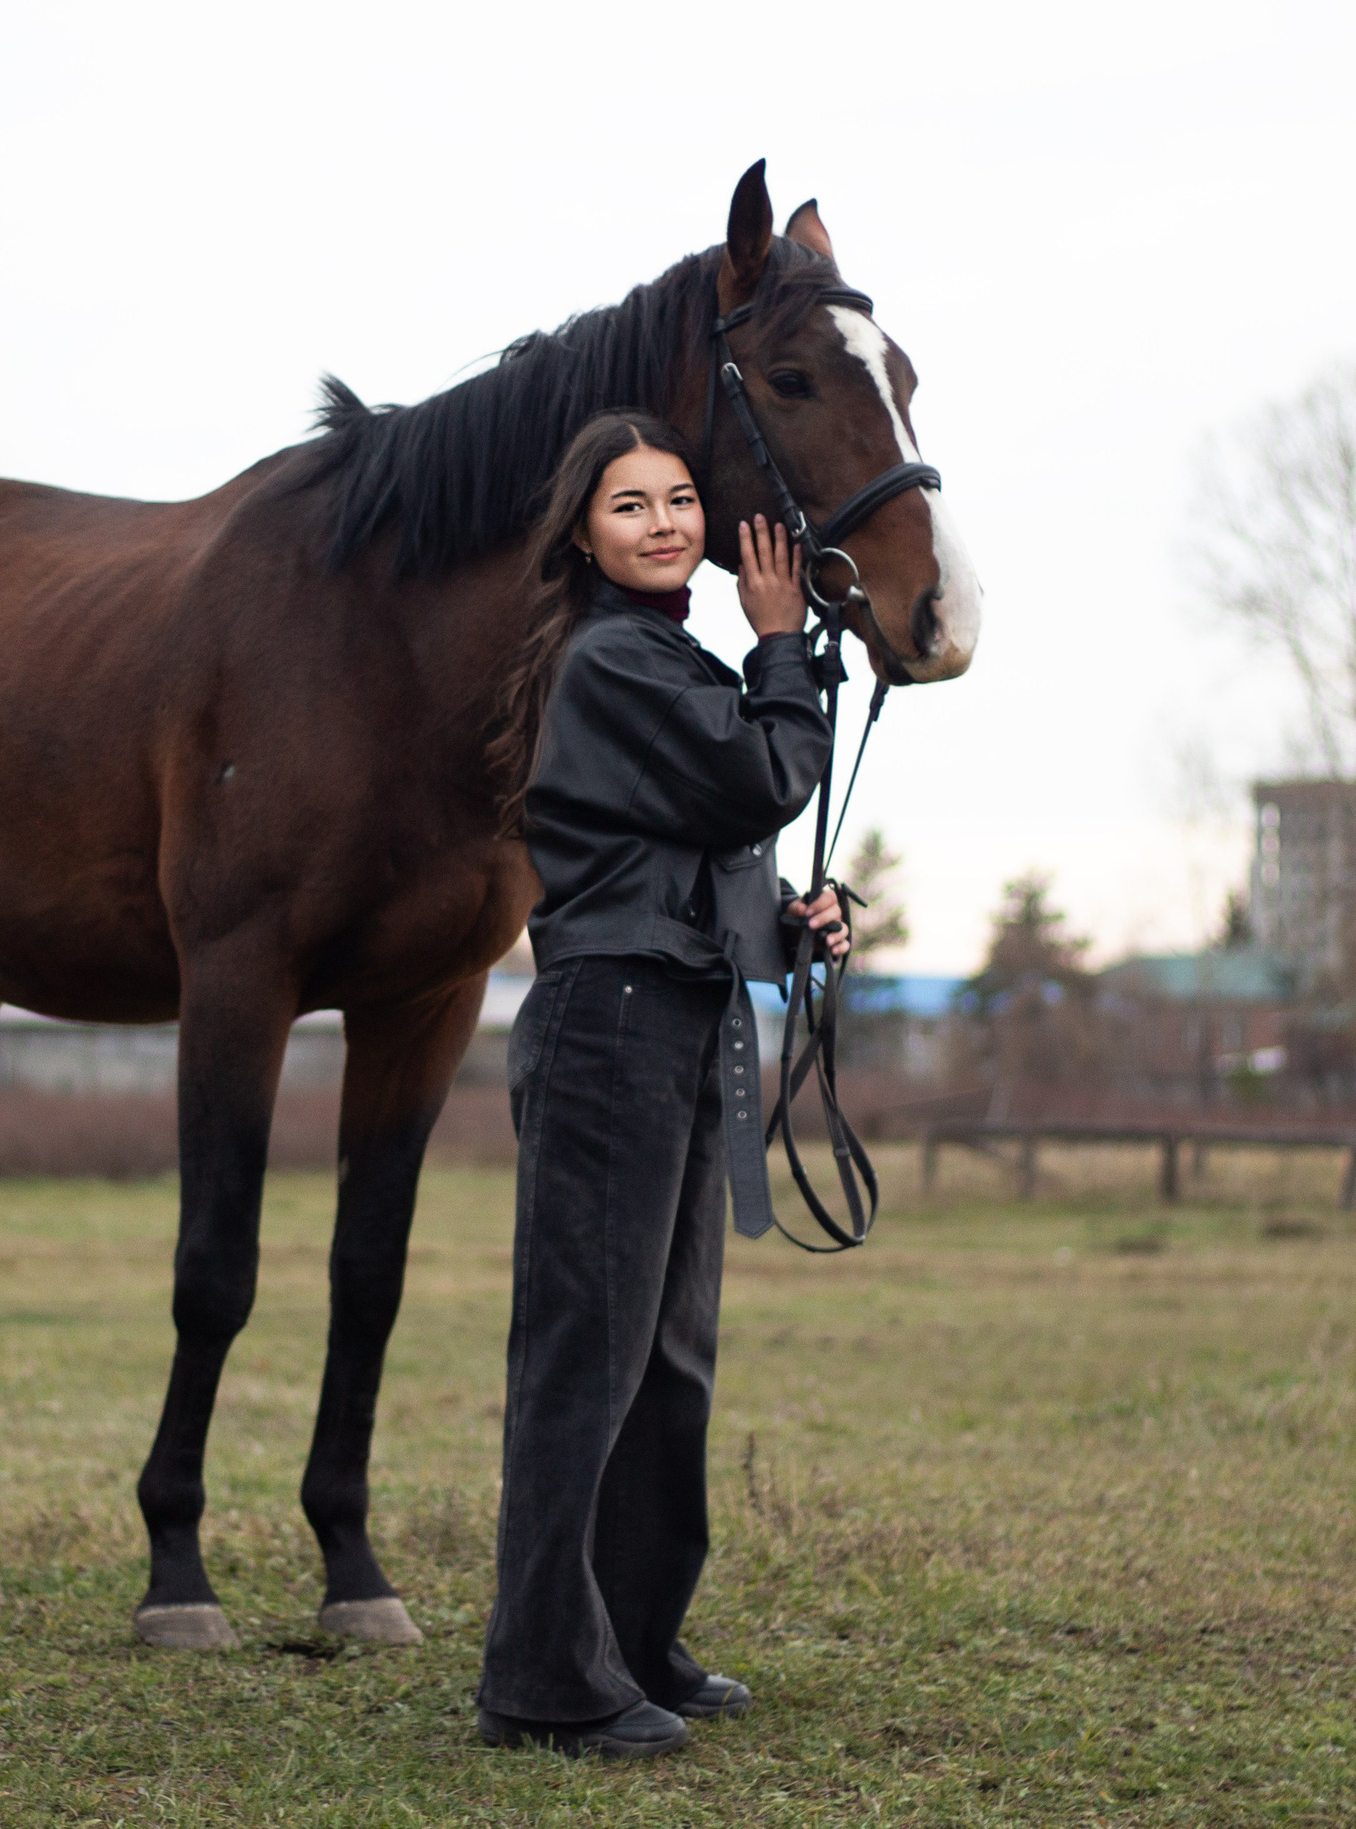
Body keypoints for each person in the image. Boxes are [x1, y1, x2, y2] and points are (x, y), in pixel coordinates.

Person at [476, 410, 851, 1759]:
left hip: (677, 1016)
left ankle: (630, 1634)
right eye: (630, 506)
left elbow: (691, 862)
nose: (664, 522)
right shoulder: (616, 660)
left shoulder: (663, 660)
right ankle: (542, 1677)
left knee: (668, 1354)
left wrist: (789, 930)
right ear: (584, 532)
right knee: (589, 1355)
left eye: (680, 497)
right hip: (609, 1032)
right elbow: (760, 773)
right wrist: (780, 644)